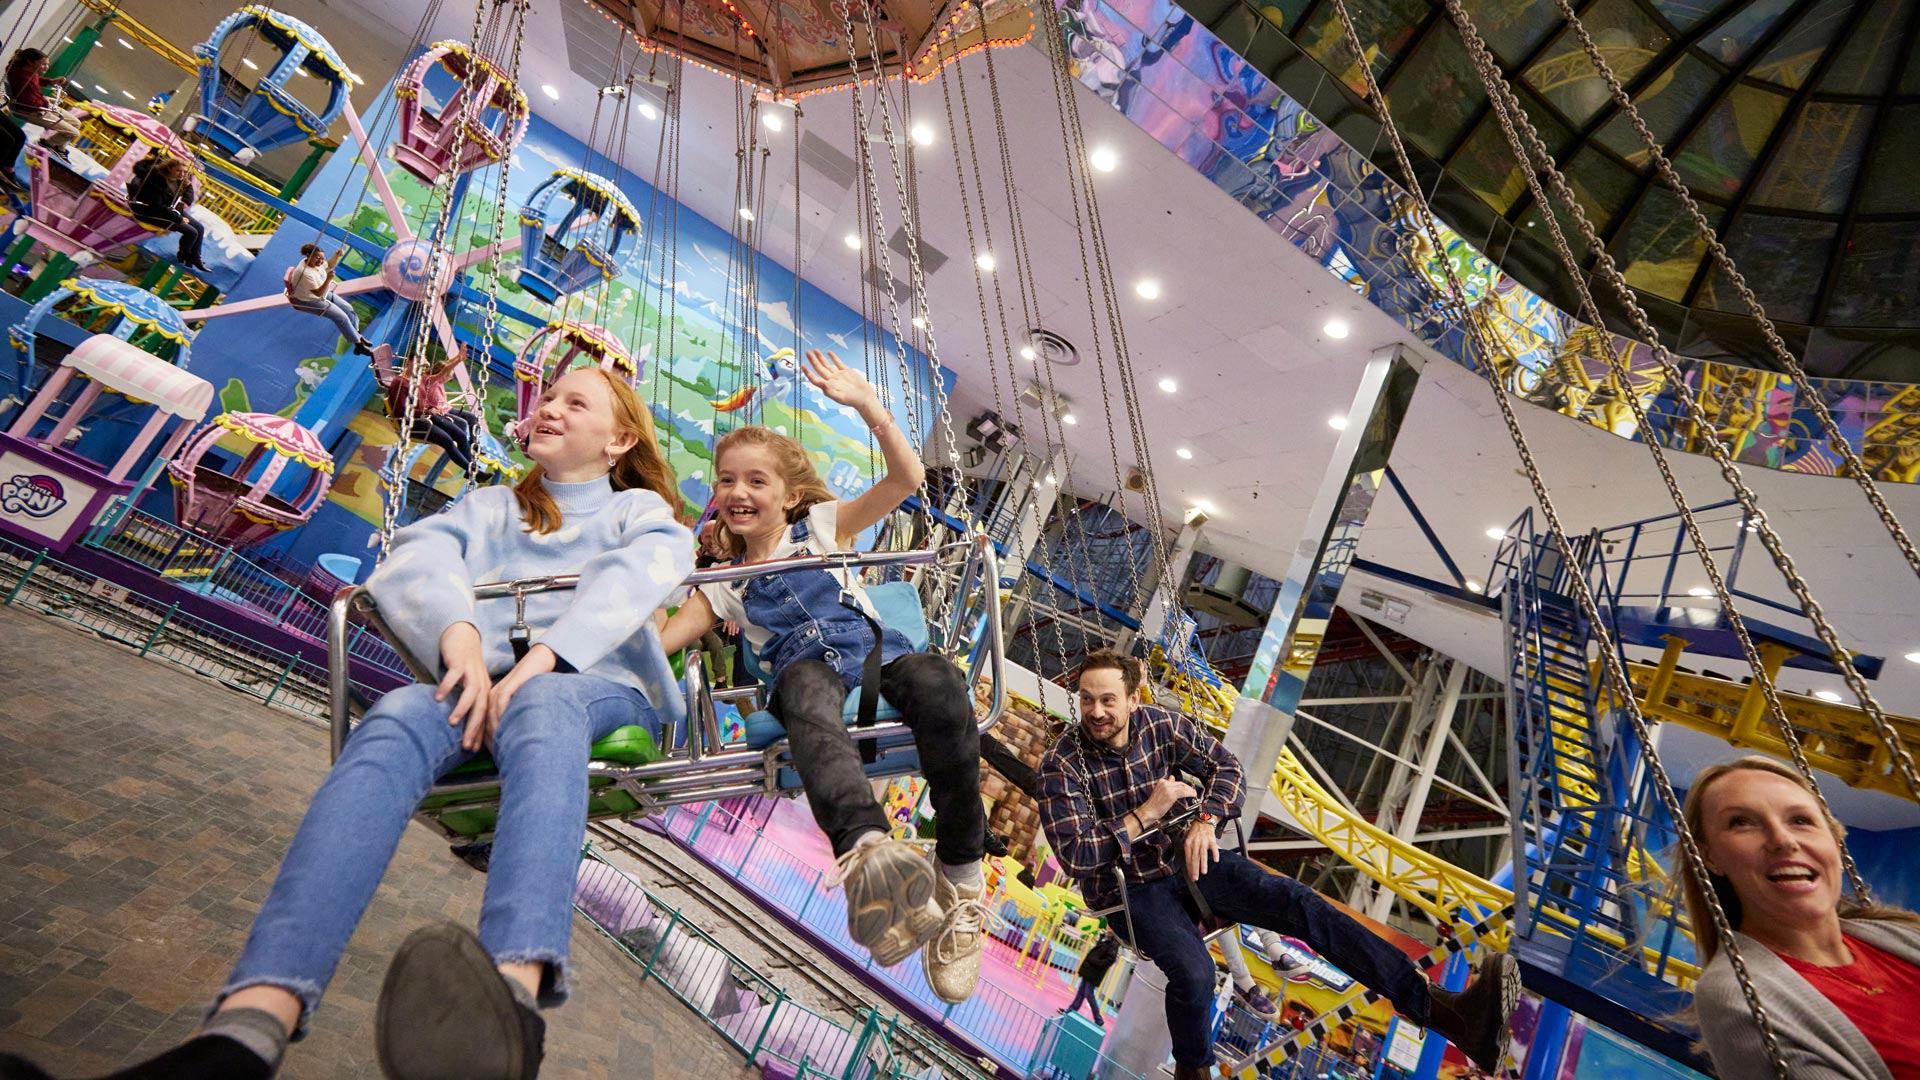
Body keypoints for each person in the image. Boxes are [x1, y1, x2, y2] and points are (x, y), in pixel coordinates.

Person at [0, 366, 692, 1080]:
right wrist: (458, 639)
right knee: (394, 713)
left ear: (619, 440)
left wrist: (536, 664)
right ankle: (249, 1029)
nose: (550, 408)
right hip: (479, 687)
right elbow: (421, 556)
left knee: (544, 704)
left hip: (592, 685)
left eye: (575, 403)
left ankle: (512, 997)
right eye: (547, 397)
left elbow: (648, 569)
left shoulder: (635, 512)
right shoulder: (490, 508)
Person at [659, 350, 987, 1004]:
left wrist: (869, 408)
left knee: (941, 685)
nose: (738, 493)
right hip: (811, 679)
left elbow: (905, 479)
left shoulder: (821, 526)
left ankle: (962, 878)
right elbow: (664, 637)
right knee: (802, 689)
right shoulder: (723, 587)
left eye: (756, 481)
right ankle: (868, 854)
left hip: (877, 658)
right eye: (726, 481)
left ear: (788, 495)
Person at [1037, 650, 1519, 1080]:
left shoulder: (1162, 726)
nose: (1096, 712)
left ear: (1133, 698)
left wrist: (1207, 818)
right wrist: (1147, 813)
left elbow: (1226, 768)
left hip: (1188, 856)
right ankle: (1192, 1069)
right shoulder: (1063, 764)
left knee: (1299, 903)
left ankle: (1450, 1016)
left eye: (1107, 700)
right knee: (1196, 972)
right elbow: (1079, 855)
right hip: (1131, 891)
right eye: (1086, 700)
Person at [1684, 755, 1920, 1079]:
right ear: (1709, 856)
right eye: (1741, 822)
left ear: (1835, 843)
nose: (1783, 841)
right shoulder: (1738, 992)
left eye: (1800, 820)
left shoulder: (1902, 935)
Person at [386, 354, 480, 476]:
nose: (421, 368)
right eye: (419, 364)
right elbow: (401, 410)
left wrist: (458, 359)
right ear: (409, 362)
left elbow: (442, 372)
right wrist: (427, 411)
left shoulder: (420, 380)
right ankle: (471, 469)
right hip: (417, 422)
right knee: (449, 439)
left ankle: (472, 465)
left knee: (460, 433)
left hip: (428, 416)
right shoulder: (402, 382)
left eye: (424, 366)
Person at [285, 243, 374, 355]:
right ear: (308, 255)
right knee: (342, 318)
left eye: (323, 258)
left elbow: (328, 265)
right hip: (310, 300)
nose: (321, 261)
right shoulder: (304, 273)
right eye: (318, 258)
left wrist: (336, 255)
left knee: (348, 308)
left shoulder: (313, 262)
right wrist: (328, 279)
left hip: (320, 292)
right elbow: (318, 294)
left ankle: (358, 336)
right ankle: (359, 345)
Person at [127, 154, 208, 272]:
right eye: (178, 171)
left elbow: (188, 190)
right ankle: (183, 257)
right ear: (170, 169)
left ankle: (195, 258)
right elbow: (158, 207)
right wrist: (179, 219)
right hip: (151, 212)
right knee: (192, 232)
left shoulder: (180, 180)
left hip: (170, 210)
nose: (182, 174)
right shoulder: (156, 182)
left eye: (184, 172)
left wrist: (185, 200)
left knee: (199, 228)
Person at [4, 49, 80, 153]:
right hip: (33, 111)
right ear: (31, 62)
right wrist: (46, 103)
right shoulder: (22, 78)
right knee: (74, 133)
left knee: (76, 123)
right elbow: (30, 102)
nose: (46, 67)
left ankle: (60, 149)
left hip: (39, 106)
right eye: (43, 64)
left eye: (47, 64)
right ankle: (47, 143)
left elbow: (36, 80)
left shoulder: (26, 71)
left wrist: (51, 82)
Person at [1063, 928, 1120, 1026]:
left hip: (1095, 972)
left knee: (1088, 993)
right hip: (1090, 970)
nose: (1108, 928)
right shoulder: (1105, 938)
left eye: (1110, 928)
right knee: (1081, 991)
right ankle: (1071, 1010)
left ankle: (1098, 1019)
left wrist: (1096, 962)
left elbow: (1110, 959)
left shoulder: (1113, 944)